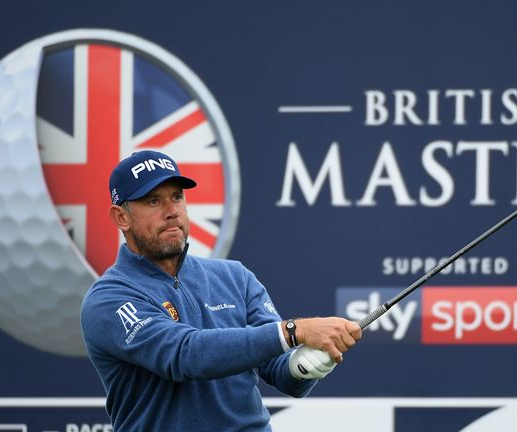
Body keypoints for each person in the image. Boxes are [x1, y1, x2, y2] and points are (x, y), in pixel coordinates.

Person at [80, 150, 363, 431]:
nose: (172, 212)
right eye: (153, 201)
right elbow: (184, 356)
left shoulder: (234, 276)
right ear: (121, 218)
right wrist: (292, 331)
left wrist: (307, 365)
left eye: (177, 197)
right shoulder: (109, 298)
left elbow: (280, 372)